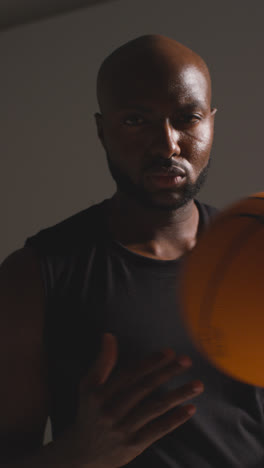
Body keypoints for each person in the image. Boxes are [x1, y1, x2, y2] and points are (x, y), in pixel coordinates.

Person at [1, 34, 263, 468]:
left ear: (211, 122)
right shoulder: (34, 275)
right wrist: (76, 456)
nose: (168, 144)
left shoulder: (256, 255)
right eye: (137, 121)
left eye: (188, 118)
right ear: (103, 131)